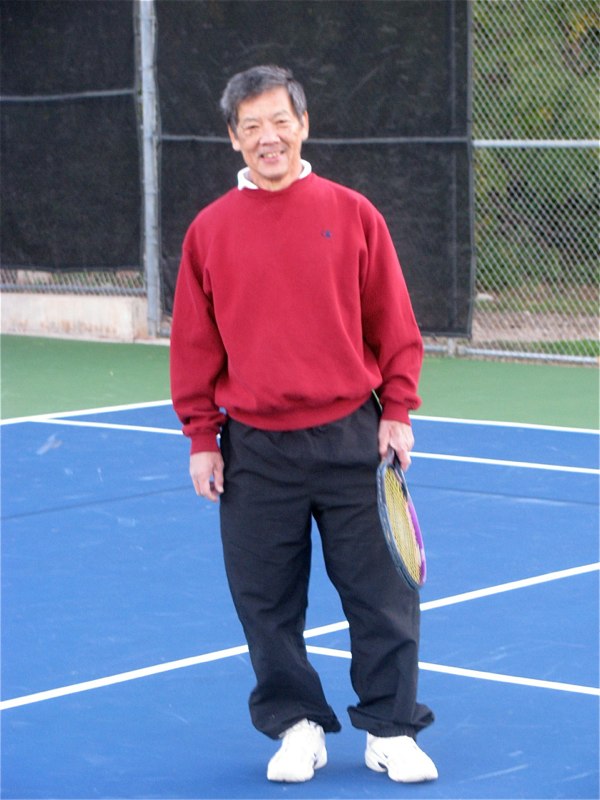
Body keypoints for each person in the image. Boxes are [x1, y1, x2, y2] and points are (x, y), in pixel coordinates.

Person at [170, 64, 437, 784]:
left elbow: (395, 324)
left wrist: (398, 411)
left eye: (279, 121)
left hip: (353, 437)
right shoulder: (208, 231)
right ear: (233, 139)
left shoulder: (353, 214)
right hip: (254, 451)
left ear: (304, 126)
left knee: (383, 598)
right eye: (251, 126)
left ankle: (391, 730)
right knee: (265, 603)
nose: (269, 137)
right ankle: (296, 727)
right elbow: (194, 345)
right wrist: (201, 438)